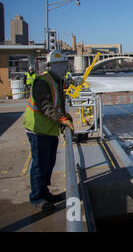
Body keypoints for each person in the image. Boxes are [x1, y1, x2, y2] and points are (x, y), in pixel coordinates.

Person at [22, 50, 74, 211]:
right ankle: (37, 198)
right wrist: (61, 119)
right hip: (38, 130)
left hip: (49, 130)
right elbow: (45, 105)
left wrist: (65, 115)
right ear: (56, 66)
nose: (66, 69)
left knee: (49, 163)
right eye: (64, 66)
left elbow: (57, 103)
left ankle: (44, 193)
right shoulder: (43, 81)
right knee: (39, 165)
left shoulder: (56, 80)